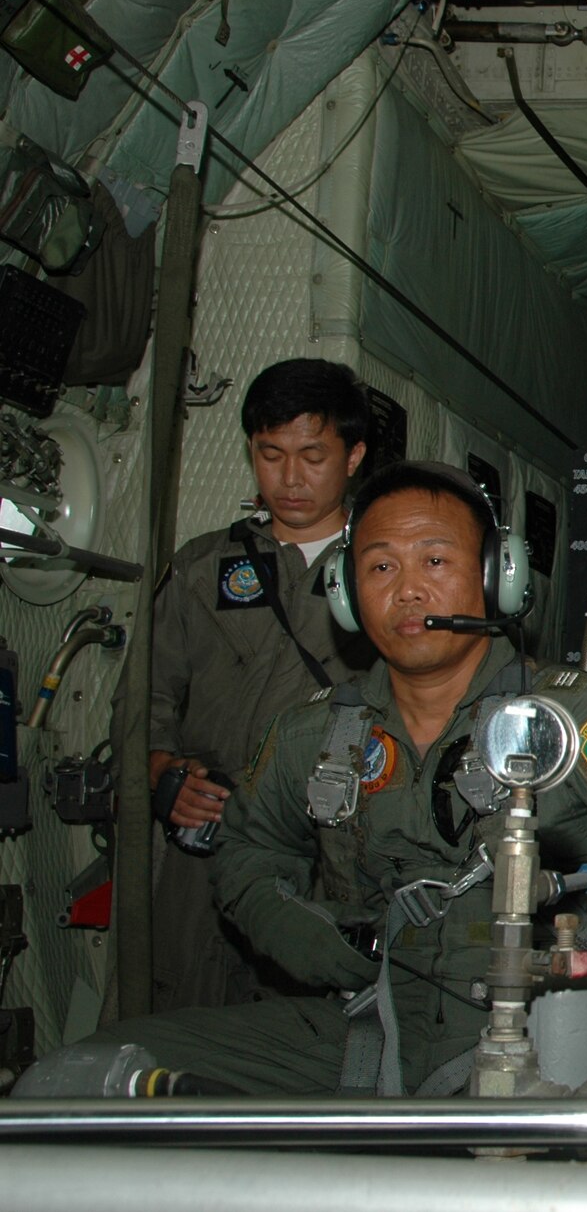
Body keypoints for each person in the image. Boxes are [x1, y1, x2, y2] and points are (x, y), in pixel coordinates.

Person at [21, 461, 587, 1096]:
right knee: (80, 1079)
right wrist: (326, 946)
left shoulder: (586, 724)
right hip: (366, 1022)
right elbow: (248, 858)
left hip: (549, 1038)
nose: (409, 590)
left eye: (435, 560)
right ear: (345, 592)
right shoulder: (314, 735)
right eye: (381, 568)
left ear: (496, 578)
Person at [127, 357, 377, 1010]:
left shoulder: (386, 578)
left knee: (305, 1041)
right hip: (203, 849)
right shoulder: (204, 570)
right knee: (180, 1026)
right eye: (270, 455)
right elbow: (143, 704)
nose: (288, 478)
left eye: (311, 456)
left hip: (324, 853)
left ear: (353, 457)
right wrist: (163, 773)